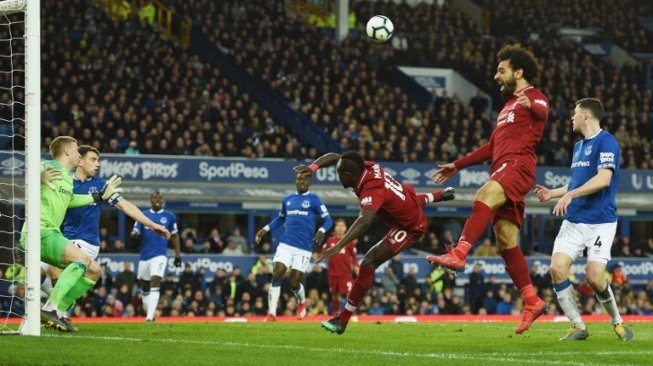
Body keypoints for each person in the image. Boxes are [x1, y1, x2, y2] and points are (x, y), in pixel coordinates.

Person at [427, 43, 548, 334]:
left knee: (482, 195)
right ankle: (532, 300)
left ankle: (459, 253)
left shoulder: (533, 97)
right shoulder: (507, 107)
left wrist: (531, 105)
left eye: (501, 70)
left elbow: (543, 110)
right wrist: (456, 165)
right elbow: (492, 146)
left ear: (518, 72)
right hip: (504, 167)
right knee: (505, 239)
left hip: (518, 165)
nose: (496, 76)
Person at [295, 151, 455, 334]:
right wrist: (311, 168)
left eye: (339, 174)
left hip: (411, 227)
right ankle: (440, 195)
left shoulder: (371, 189)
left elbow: (365, 221)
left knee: (368, 262)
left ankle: (343, 320)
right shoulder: (367, 167)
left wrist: (338, 245)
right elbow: (334, 157)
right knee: (405, 200)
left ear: (348, 175)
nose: (338, 176)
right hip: (406, 203)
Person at [534, 98, 633, 341]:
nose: (572, 118)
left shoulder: (607, 142)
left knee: (594, 277)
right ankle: (578, 326)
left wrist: (570, 194)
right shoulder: (578, 147)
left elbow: (603, 180)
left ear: (586, 116)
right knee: (557, 269)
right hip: (574, 220)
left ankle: (617, 322)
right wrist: (553, 193)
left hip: (600, 221)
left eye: (575, 113)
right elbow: (575, 183)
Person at [40, 145, 171, 329]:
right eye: (93, 159)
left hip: (86, 243)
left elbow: (126, 206)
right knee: (37, 271)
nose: (98, 164)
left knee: (54, 270)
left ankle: (56, 310)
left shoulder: (101, 186)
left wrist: (152, 224)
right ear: (80, 161)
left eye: (98, 160)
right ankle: (58, 312)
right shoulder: (66, 182)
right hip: (63, 239)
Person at [24, 136, 123, 331]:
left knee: (95, 270)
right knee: (80, 261)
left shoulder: (67, 179)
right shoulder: (48, 165)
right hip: (40, 232)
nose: (79, 154)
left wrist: (99, 196)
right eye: (77, 150)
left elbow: (72, 200)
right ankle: (50, 308)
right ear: (68, 151)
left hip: (51, 234)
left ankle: (58, 311)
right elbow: (32, 173)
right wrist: (39, 177)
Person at [254, 172, 333, 321]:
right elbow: (281, 218)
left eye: (304, 179)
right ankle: (271, 313)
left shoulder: (314, 200)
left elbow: (328, 220)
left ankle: (302, 302)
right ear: (295, 182)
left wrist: (322, 230)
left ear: (309, 182)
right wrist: (265, 229)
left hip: (303, 248)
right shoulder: (287, 199)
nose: (301, 182)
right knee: (277, 272)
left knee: (294, 282)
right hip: (285, 244)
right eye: (298, 179)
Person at [131, 191, 181, 322]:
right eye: (154, 197)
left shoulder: (169, 216)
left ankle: (149, 318)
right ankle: (151, 314)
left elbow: (175, 236)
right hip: (144, 257)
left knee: (155, 281)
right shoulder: (143, 216)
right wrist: (134, 235)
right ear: (150, 200)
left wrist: (178, 256)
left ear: (163, 200)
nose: (157, 199)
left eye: (159, 197)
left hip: (160, 255)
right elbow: (134, 232)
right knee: (144, 288)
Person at [320, 218, 359, 314]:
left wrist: (356, 266)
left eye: (342, 226)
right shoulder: (330, 241)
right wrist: (319, 255)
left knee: (349, 295)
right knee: (334, 294)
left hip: (346, 273)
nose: (340, 228)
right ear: (335, 228)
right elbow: (323, 252)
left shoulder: (349, 241)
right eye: (338, 225)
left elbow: (354, 256)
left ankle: (350, 314)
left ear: (346, 228)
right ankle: (335, 312)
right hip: (333, 273)